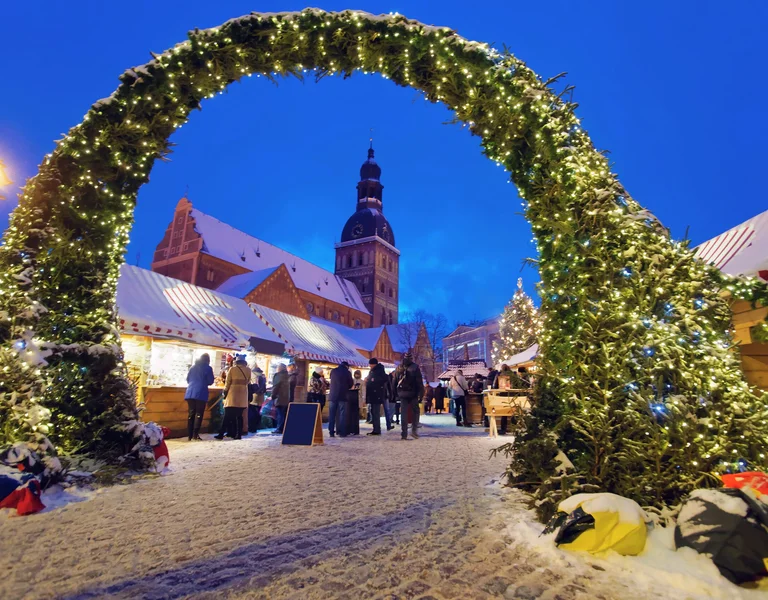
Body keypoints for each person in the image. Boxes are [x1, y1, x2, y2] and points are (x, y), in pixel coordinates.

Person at [216, 356, 251, 440]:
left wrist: (225, 391)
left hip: (233, 394)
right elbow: (248, 381)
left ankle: (221, 434)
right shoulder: (248, 370)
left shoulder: (232, 369)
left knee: (227, 415)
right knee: (239, 416)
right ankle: (238, 434)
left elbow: (228, 382)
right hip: (243, 394)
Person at [393, 350, 424, 440]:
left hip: (402, 393)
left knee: (403, 413)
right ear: (411, 358)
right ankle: (414, 431)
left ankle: (404, 433)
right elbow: (419, 382)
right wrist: (421, 394)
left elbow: (394, 382)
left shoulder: (399, 367)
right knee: (416, 411)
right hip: (413, 393)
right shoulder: (415, 367)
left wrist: (395, 393)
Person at [185, 353, 214, 441]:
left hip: (190, 392)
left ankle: (189, 435)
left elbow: (187, 379)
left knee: (191, 414)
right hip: (201, 392)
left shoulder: (193, 367)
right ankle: (195, 435)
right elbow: (210, 381)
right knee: (199, 414)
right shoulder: (208, 368)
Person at [366, 358, 392, 435]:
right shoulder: (374, 371)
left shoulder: (378, 371)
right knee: (374, 412)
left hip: (377, 394)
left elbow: (379, 381)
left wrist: (371, 381)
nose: (370, 366)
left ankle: (377, 429)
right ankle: (376, 428)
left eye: (371, 364)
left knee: (376, 412)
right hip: (374, 394)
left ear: (374, 364)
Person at [329, 361, 354, 438]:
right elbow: (350, 384)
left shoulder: (333, 371)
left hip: (333, 396)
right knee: (342, 414)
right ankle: (342, 432)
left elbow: (331, 380)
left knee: (332, 414)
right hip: (342, 396)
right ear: (347, 366)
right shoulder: (347, 372)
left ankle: (331, 432)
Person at [271, 363, 291, 434]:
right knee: (283, 413)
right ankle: (282, 428)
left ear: (279, 368)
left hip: (279, 397)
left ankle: (279, 428)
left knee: (280, 414)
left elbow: (275, 387)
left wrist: (273, 395)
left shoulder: (278, 376)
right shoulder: (287, 376)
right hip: (286, 397)